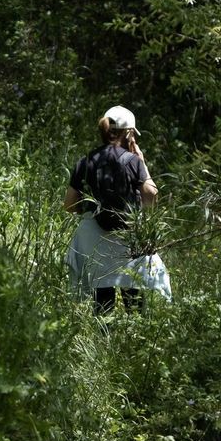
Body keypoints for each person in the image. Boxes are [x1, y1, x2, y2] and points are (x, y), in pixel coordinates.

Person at [63, 105, 170, 314]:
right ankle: (134, 338)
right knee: (133, 291)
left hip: (93, 238)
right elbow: (151, 198)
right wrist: (142, 162)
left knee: (103, 297)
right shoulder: (132, 161)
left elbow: (69, 205)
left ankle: (102, 341)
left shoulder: (85, 161)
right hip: (127, 236)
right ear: (129, 133)